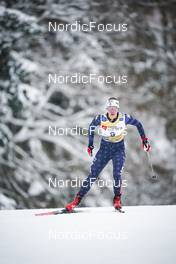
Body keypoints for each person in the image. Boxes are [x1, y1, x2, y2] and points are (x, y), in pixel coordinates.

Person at [65, 97, 151, 212]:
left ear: (117, 109)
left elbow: (139, 124)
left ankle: (117, 199)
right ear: (107, 108)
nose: (112, 110)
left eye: (114, 108)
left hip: (118, 149)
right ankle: (76, 201)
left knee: (117, 174)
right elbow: (91, 127)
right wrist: (90, 144)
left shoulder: (124, 118)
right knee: (93, 175)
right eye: (110, 108)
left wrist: (144, 140)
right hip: (104, 148)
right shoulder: (101, 118)